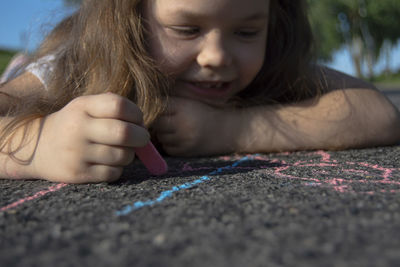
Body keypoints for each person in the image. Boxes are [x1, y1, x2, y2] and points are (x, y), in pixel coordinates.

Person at [0, 0, 399, 183]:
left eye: (246, 32)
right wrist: (39, 143)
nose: (216, 56)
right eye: (187, 29)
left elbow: (379, 114)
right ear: (132, 19)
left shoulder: (272, 63)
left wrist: (230, 130)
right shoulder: (76, 62)